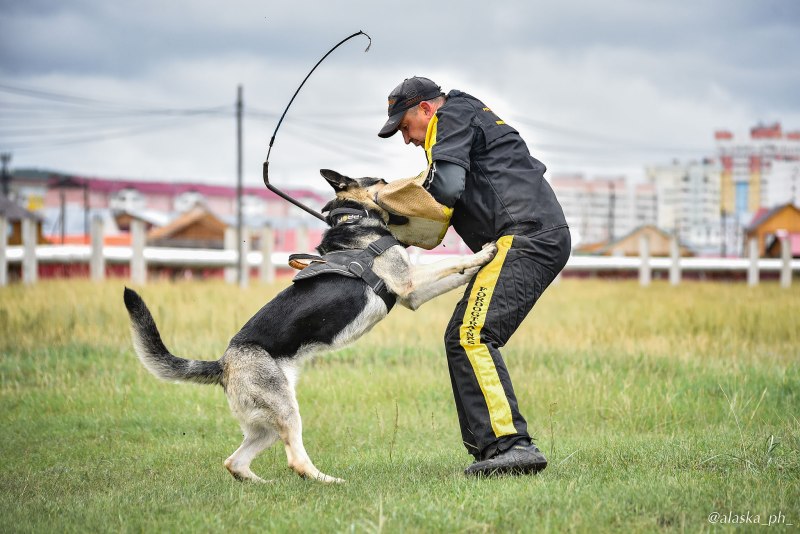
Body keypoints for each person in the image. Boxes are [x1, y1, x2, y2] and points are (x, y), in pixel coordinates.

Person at [376, 76, 571, 476]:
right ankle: (492, 451)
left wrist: (381, 200)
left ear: (426, 110)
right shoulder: (466, 117)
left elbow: (444, 188)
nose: (407, 139)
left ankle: (512, 446)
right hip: (529, 235)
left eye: (405, 127)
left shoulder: (451, 118)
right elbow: (442, 212)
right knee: (462, 335)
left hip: (526, 237)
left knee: (471, 334)